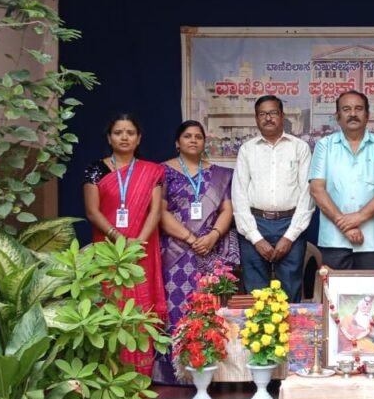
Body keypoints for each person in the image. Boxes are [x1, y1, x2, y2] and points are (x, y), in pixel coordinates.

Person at [155, 120, 240, 384]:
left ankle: (208, 371)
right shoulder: (163, 172)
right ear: (177, 142)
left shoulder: (220, 174)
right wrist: (191, 238)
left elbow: (227, 209)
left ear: (205, 142)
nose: (193, 140)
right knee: (175, 308)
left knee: (208, 309)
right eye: (187, 136)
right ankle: (173, 374)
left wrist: (213, 235)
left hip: (210, 253)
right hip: (175, 252)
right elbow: (159, 212)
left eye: (198, 137)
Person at [82, 113, 167, 377]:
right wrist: (119, 239)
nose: (124, 137)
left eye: (130, 132)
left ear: (138, 138)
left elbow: (155, 211)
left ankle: (140, 377)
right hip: (108, 249)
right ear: (109, 138)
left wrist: (138, 241)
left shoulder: (152, 172)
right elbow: (92, 211)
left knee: (140, 308)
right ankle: (112, 375)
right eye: (118, 132)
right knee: (111, 305)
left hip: (141, 248)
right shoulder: (96, 169)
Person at [309, 91, 374, 270]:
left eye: (358, 109)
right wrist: (346, 225)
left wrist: (359, 217)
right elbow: (316, 189)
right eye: (346, 109)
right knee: (334, 288)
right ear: (337, 116)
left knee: (373, 288)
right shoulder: (324, 146)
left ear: (367, 115)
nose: (353, 114)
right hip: (334, 240)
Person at [231, 95, 314, 302]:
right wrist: (255, 237)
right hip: (255, 224)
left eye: (273, 113)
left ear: (282, 116)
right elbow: (239, 195)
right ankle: (258, 326)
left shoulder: (299, 147)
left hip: (291, 223)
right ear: (256, 118)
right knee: (256, 293)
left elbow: (307, 194)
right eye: (262, 114)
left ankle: (291, 325)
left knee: (290, 291)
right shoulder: (247, 150)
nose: (268, 118)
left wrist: (290, 236)